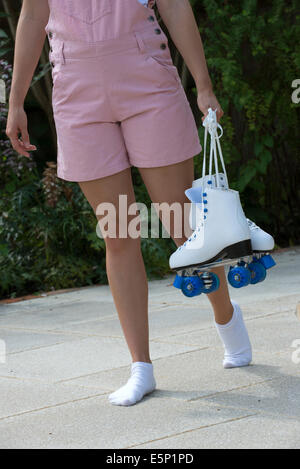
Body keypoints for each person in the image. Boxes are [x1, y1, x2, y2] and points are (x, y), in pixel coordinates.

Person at [6, 0, 252, 407]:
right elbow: (33, 16)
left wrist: (203, 84)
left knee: (182, 227)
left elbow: (174, 6)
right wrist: (16, 101)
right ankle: (142, 367)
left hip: (146, 80)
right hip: (77, 91)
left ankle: (226, 316)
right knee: (118, 234)